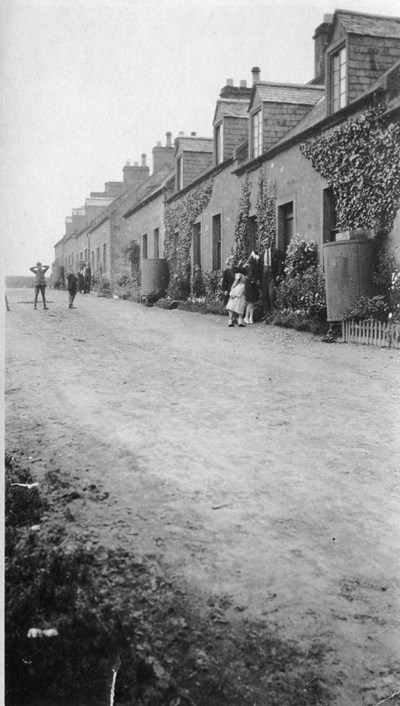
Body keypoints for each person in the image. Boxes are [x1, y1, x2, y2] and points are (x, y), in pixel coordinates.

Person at [259, 239, 282, 321]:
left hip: (272, 274)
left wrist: (279, 274)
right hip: (264, 275)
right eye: (264, 242)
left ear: (270, 242)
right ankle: (267, 315)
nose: (266, 243)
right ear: (262, 243)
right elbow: (259, 267)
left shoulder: (276, 251)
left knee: (272, 294)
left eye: (267, 241)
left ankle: (274, 313)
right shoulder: (261, 254)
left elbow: (280, 263)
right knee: (264, 294)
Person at [244, 252, 260, 324]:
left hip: (253, 285)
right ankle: (246, 317)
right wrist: (253, 280)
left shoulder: (253, 267)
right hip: (250, 285)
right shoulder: (250, 267)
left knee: (253, 302)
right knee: (251, 302)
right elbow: (250, 277)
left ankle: (251, 317)